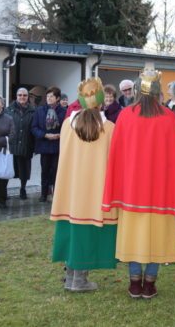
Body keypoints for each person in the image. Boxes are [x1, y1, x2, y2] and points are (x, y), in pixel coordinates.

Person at [102, 69, 175, 299]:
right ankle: (149, 284)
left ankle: (135, 283)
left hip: (131, 190)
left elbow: (116, 154)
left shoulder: (126, 115)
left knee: (133, 237)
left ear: (137, 90)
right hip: (160, 191)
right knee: (156, 237)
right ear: (159, 91)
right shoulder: (169, 117)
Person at [50, 77, 117, 292]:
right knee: (86, 233)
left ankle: (71, 276)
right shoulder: (109, 128)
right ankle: (79, 280)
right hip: (95, 191)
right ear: (101, 101)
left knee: (72, 231)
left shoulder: (67, 125)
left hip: (70, 190)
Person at [31, 86, 66, 202]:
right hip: (44, 145)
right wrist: (45, 135)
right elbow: (34, 128)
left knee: (56, 170)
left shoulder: (63, 112)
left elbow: (67, 128)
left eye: (52, 96)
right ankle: (44, 194)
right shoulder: (40, 110)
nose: (49, 98)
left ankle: (56, 194)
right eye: (47, 96)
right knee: (44, 170)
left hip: (57, 146)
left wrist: (59, 135)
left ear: (58, 98)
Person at [6, 87, 35, 199]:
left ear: (27, 97)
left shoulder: (33, 111)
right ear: (16, 96)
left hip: (26, 145)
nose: (22, 97)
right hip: (11, 145)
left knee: (24, 171)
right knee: (9, 170)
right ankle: (4, 190)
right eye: (20, 95)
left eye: (24, 95)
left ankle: (23, 188)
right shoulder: (8, 110)